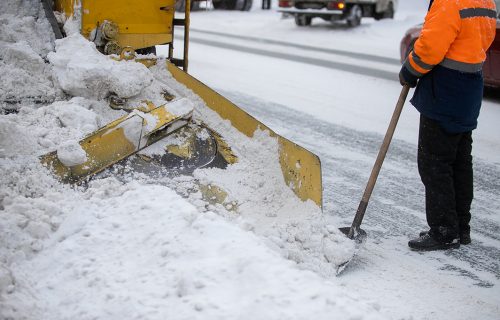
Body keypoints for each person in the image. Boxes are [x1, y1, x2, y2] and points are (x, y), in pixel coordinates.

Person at [399, 0, 497, 251]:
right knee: (459, 163)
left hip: (445, 90)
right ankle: (460, 227)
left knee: (435, 164)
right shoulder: (484, 1)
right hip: (469, 87)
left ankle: (444, 231)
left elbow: (431, 46)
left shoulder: (449, 2)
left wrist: (410, 69)